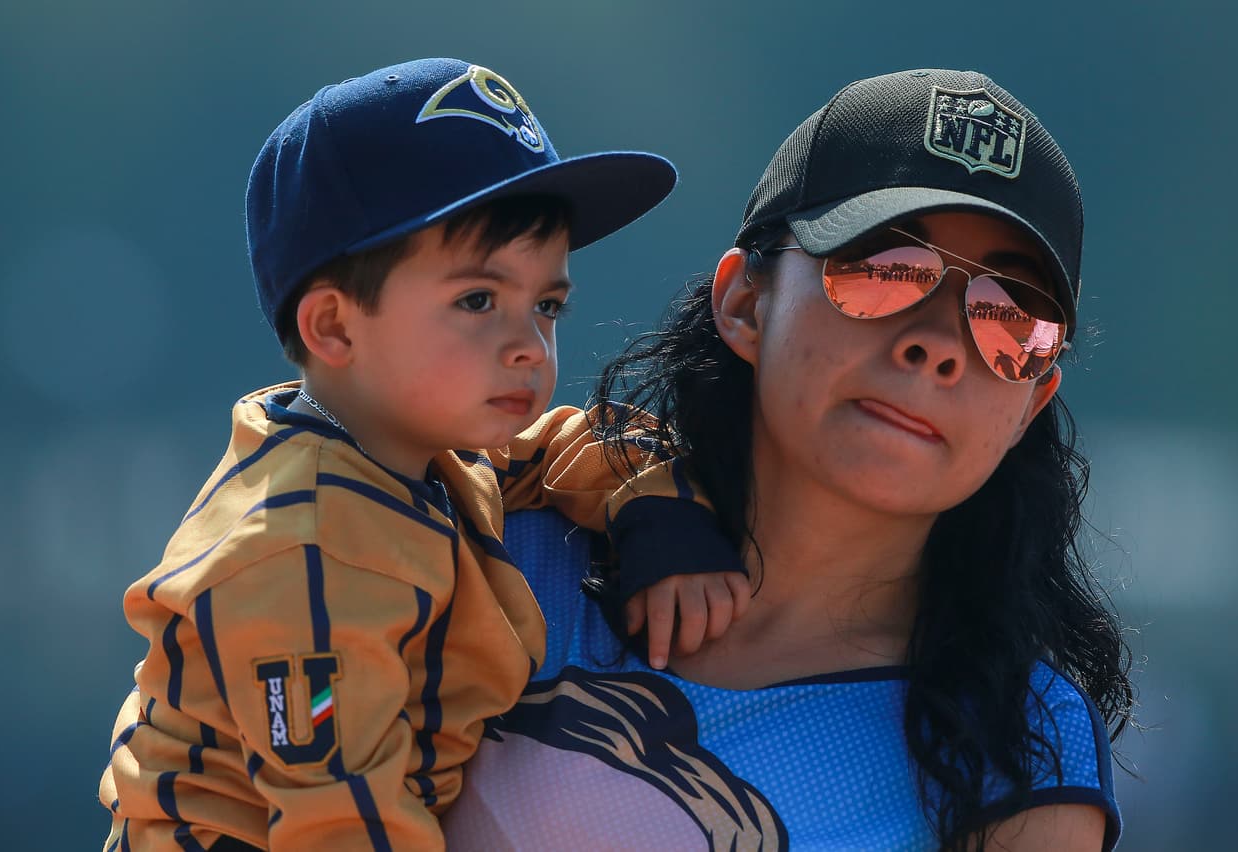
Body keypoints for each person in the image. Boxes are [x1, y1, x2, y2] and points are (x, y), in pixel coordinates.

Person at [443, 69, 1134, 851]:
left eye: (1010, 318)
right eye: (887, 269)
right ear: (744, 302)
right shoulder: (502, 556)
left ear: (1031, 404)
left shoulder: (1021, 746)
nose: (938, 345)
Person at [97, 58, 749, 851]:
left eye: (546, 304)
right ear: (333, 327)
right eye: (478, 300)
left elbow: (566, 445)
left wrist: (663, 513)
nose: (529, 345)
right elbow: (341, 821)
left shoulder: (410, 445)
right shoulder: (300, 556)